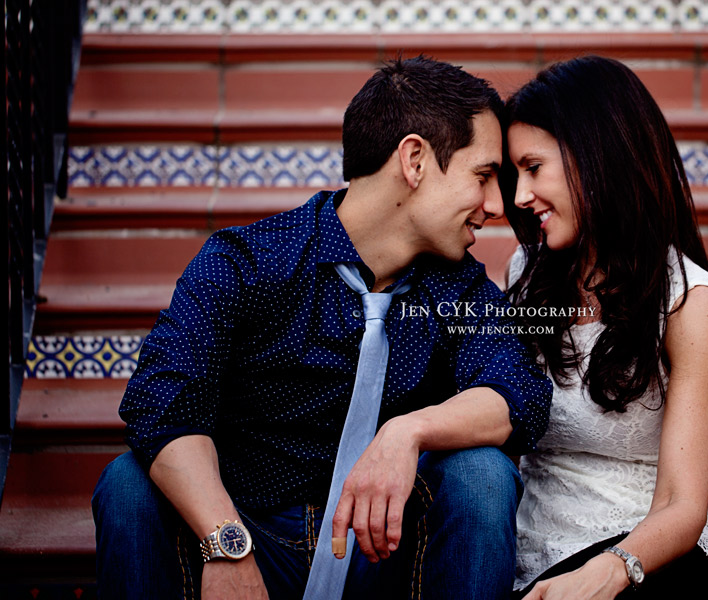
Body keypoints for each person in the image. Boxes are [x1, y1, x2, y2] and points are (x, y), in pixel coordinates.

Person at [91, 56, 552, 600]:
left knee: (482, 474)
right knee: (127, 484)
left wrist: (407, 432)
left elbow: (519, 394)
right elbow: (161, 404)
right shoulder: (247, 262)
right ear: (415, 160)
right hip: (251, 537)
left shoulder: (458, 289)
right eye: (483, 176)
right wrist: (225, 541)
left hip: (382, 550)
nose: (497, 205)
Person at [501, 55, 708, 599]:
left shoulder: (690, 301)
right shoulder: (527, 272)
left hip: (657, 548)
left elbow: (684, 506)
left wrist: (614, 569)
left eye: (533, 168)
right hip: (541, 534)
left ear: (596, 159)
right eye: (513, 174)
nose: (519, 197)